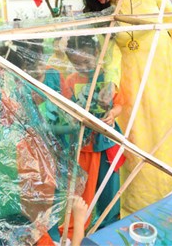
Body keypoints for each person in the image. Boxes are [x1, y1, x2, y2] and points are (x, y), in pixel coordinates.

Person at [77, 0, 172, 214]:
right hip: (132, 82)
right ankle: (141, 205)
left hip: (164, 75)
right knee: (138, 142)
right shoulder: (105, 13)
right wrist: (111, 86)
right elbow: (111, 56)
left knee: (170, 135)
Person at [62, 36, 123, 231]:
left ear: (97, 54)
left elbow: (119, 103)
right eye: (77, 63)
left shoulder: (107, 78)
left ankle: (108, 224)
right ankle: (76, 227)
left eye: (86, 61)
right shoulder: (71, 81)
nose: (83, 67)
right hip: (83, 144)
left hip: (106, 141)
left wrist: (112, 114)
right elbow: (66, 108)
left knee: (109, 187)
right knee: (82, 189)